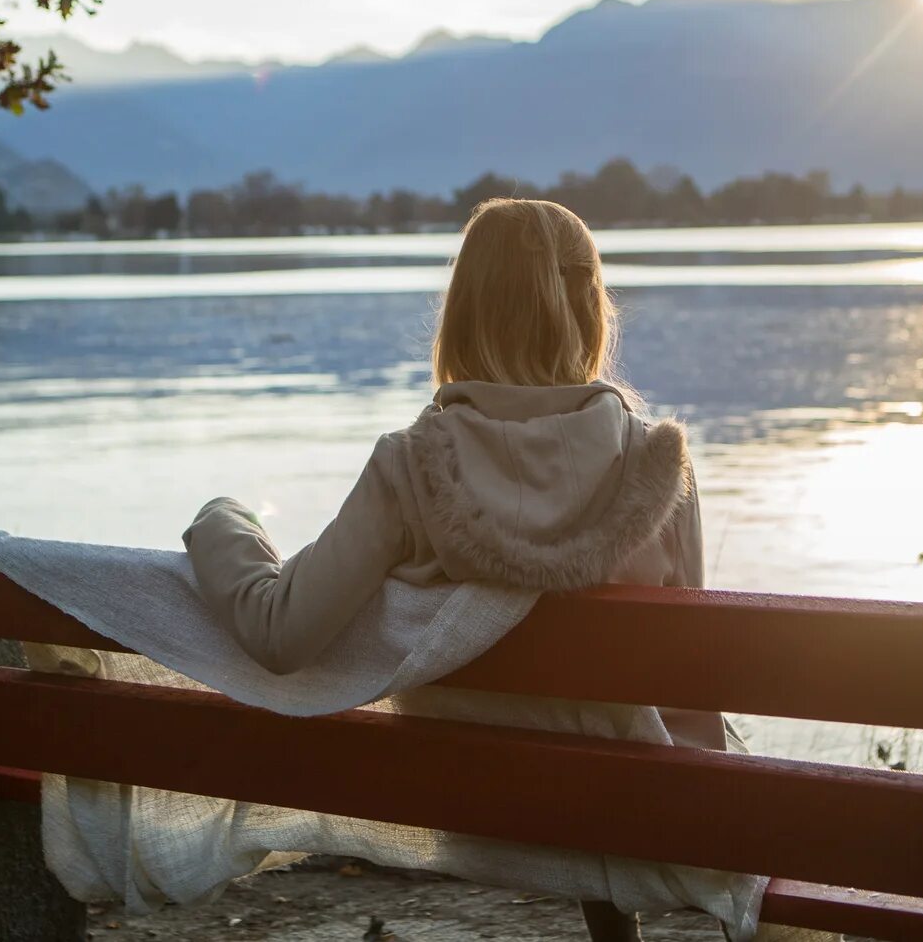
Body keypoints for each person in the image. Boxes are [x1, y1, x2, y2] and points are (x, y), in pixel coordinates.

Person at [182, 197, 719, 942]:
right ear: (591, 308)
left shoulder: (411, 465)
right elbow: (692, 682)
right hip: (631, 811)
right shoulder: (656, 465)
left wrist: (222, 523)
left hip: (476, 807)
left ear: (464, 311)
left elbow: (281, 636)